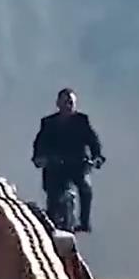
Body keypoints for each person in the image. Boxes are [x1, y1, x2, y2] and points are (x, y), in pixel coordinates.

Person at [32, 87, 104, 232]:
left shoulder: (82, 121)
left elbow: (93, 140)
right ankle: (51, 220)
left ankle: (84, 222)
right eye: (65, 102)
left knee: (85, 187)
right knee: (52, 192)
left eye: (70, 102)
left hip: (77, 165)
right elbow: (40, 142)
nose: (68, 106)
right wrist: (39, 157)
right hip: (56, 165)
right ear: (58, 103)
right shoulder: (49, 123)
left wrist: (97, 157)